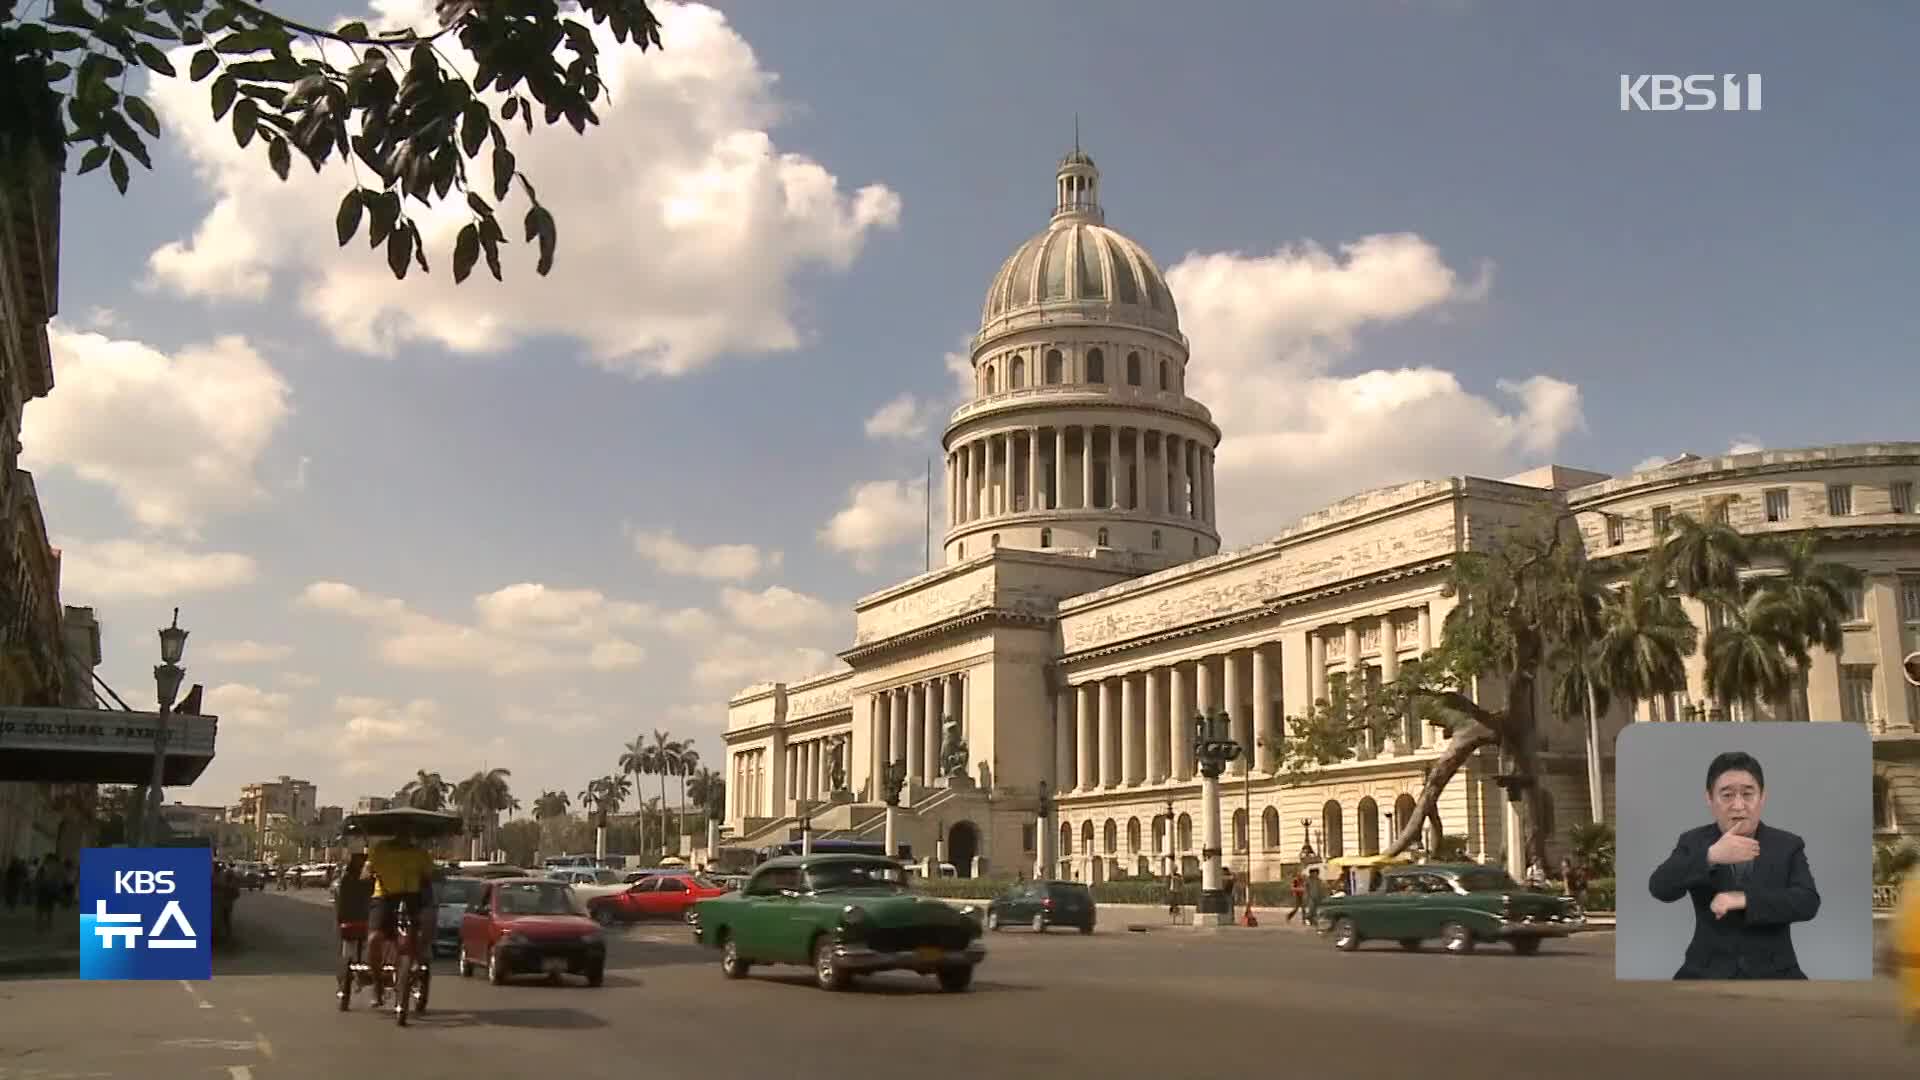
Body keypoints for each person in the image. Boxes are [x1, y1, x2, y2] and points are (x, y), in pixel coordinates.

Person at [1648, 750, 1820, 979]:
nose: (1738, 805)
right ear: (1709, 798)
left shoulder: (1787, 844)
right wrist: (1710, 856)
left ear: (1762, 797)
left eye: (1748, 794)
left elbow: (1807, 902)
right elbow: (1660, 888)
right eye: (1727, 795)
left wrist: (1742, 900)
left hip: (1776, 971)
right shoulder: (1694, 842)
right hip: (1705, 970)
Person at [361, 829, 435, 1007]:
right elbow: (366, 871)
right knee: (373, 939)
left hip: (411, 897)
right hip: (384, 897)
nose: (405, 835)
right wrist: (368, 871)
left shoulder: (420, 853)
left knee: (421, 929)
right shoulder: (380, 849)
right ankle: (377, 984)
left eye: (408, 830)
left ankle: (416, 960)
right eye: (402, 829)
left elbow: (429, 875)